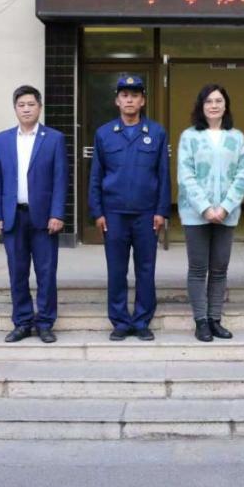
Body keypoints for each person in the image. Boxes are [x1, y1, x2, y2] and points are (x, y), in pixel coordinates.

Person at [89, 75, 171, 341]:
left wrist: (161, 211)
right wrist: (97, 212)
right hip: (114, 214)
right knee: (116, 270)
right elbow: (96, 176)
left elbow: (163, 175)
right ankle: (121, 322)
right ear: (117, 100)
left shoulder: (156, 133)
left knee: (146, 269)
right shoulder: (104, 134)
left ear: (142, 100)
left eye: (135, 95)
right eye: (125, 95)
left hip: (147, 214)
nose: (129, 100)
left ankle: (142, 321)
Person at [0, 85, 68, 344]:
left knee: (46, 273)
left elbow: (60, 179)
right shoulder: (3, 139)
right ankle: (22, 322)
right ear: (15, 108)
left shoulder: (54, 138)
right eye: (21, 105)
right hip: (13, 216)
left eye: (31, 104)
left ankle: (45, 323)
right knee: (17, 272)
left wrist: (58, 213)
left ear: (40, 107)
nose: (26, 109)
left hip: (44, 218)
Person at [177, 84, 244, 342]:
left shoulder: (236, 137)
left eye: (219, 100)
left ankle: (215, 319)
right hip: (195, 214)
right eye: (208, 101)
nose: (214, 105)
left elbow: (242, 174)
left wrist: (226, 207)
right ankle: (201, 321)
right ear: (201, 105)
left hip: (227, 214)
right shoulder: (189, 137)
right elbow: (185, 175)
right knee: (198, 269)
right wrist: (206, 208)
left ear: (226, 105)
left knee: (219, 269)